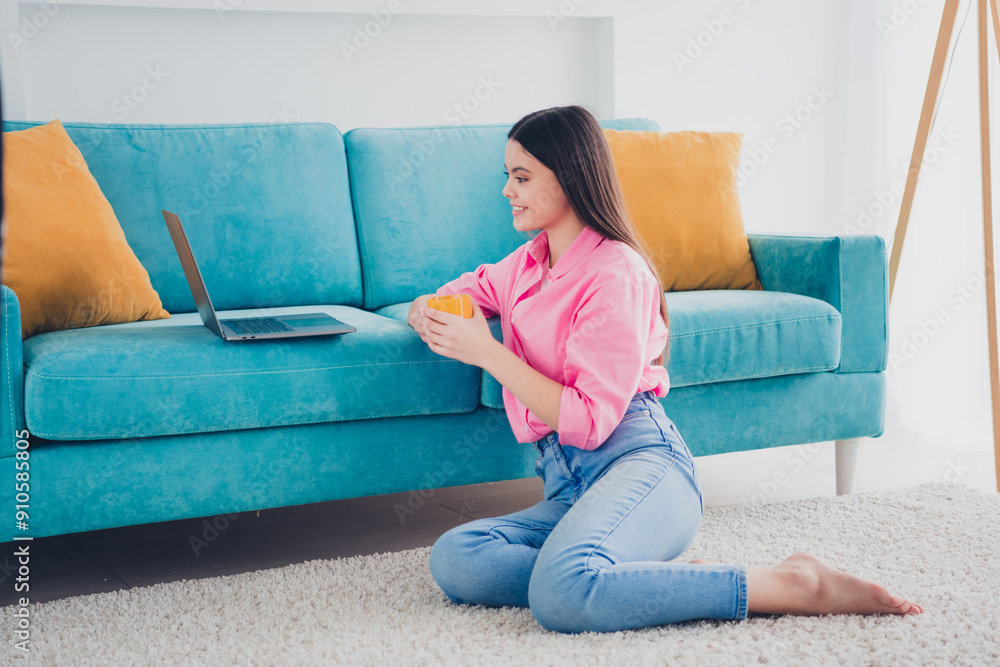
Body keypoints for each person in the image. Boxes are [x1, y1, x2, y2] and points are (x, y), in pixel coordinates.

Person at [406, 105, 923, 634]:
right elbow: (449, 297)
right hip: (570, 485)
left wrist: (487, 352)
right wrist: (423, 309)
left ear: (570, 178)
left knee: (561, 597)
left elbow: (588, 420)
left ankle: (791, 583)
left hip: (644, 468)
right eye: (508, 177)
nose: (507, 191)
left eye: (522, 177)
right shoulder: (523, 265)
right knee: (458, 557)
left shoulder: (616, 273)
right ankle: (637, 577)